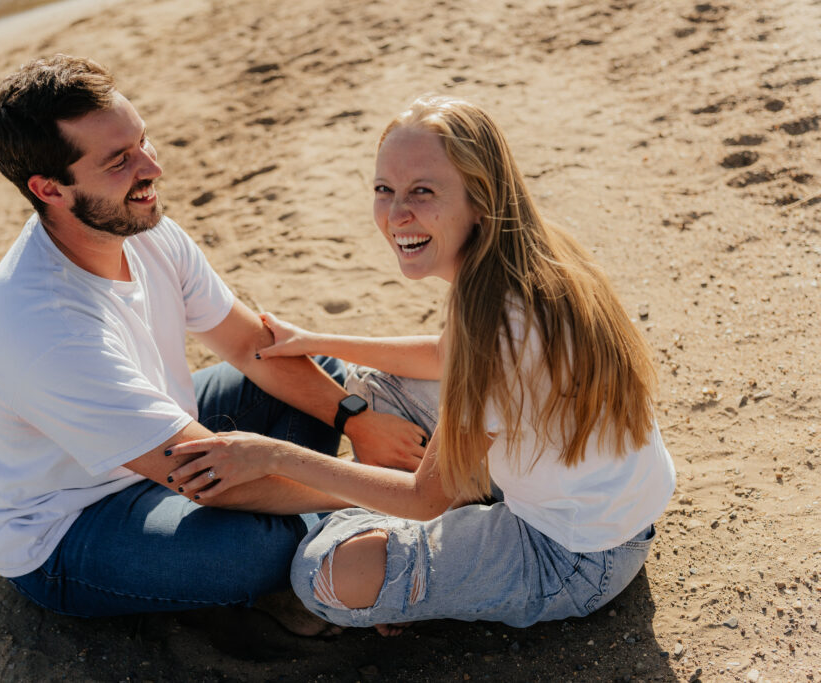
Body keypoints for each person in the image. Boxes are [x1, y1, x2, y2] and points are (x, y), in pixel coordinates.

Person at [166, 95, 677, 633]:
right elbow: (442, 356)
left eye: (422, 192)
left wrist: (271, 455)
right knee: (377, 386)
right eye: (384, 190)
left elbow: (423, 499)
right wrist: (317, 340)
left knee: (321, 573)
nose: (396, 214)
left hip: (573, 558)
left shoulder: (496, 328)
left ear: (479, 198)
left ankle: (414, 572)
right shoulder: (527, 257)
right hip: (599, 509)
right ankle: (427, 549)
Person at [0, 54, 428, 628]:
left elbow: (249, 344)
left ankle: (328, 533)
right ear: (49, 189)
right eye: (119, 161)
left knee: (316, 371)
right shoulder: (45, 328)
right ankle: (332, 547)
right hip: (71, 525)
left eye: (142, 141)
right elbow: (208, 481)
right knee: (248, 549)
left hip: (166, 438)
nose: (151, 167)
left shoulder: (141, 227)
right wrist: (389, 492)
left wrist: (356, 419)